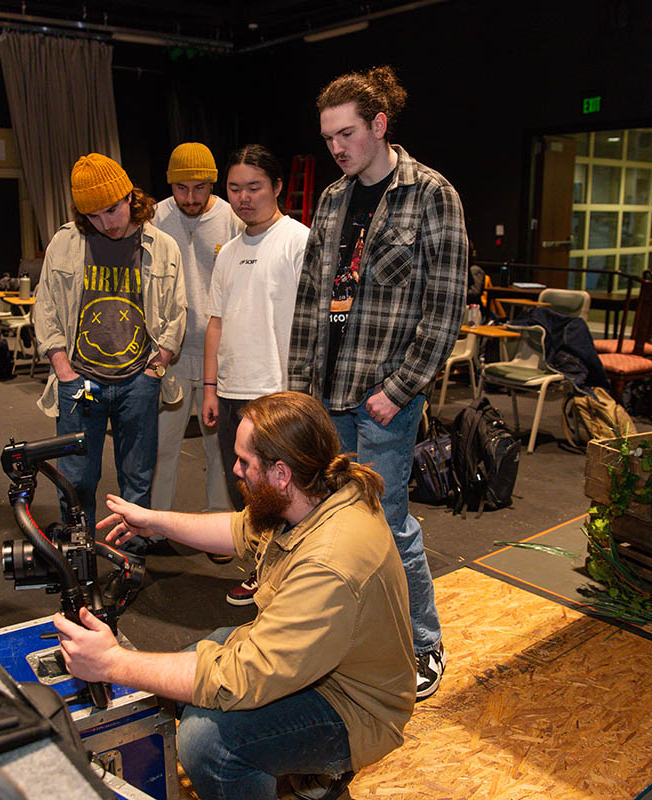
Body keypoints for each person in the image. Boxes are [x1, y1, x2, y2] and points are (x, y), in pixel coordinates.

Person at [52, 391, 414, 800]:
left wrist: (111, 663)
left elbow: (242, 675)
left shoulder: (329, 562)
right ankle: (305, 773)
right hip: (325, 664)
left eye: (244, 461)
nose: (235, 469)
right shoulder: (313, 493)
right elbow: (238, 531)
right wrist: (154, 523)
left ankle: (321, 766)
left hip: (355, 707)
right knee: (192, 666)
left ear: (280, 473)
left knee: (208, 744)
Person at [287, 66, 467, 700]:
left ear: (379, 125)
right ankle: (353, 638)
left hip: (384, 398)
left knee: (388, 524)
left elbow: (446, 308)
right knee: (333, 524)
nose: (336, 148)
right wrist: (297, 392)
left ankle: (423, 642)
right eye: (329, 136)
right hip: (327, 392)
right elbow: (310, 302)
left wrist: (399, 389)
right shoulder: (333, 200)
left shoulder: (432, 195)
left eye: (347, 133)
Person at [33, 153, 185, 545]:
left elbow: (176, 310)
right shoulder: (66, 243)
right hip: (82, 381)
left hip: (138, 381)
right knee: (77, 476)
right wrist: (63, 369)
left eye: (112, 210)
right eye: (94, 216)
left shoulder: (162, 245)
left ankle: (130, 554)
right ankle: (78, 552)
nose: (107, 223)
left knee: (137, 477)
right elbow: (45, 306)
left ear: (130, 198)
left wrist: (158, 365)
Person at [202, 144, 309, 604]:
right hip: (231, 391)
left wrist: (300, 393)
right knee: (244, 489)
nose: (244, 198)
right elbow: (216, 322)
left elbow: (311, 323)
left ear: (277, 187)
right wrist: (209, 387)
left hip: (277, 393)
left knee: (287, 494)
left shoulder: (297, 241)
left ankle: (292, 578)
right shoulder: (227, 252)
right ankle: (263, 570)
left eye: (254, 187)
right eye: (235, 189)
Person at [152, 143, 242, 527]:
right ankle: (155, 524)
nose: (190, 198)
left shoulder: (232, 218)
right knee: (162, 447)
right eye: (181, 188)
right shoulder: (154, 218)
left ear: (213, 184)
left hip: (220, 356)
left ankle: (220, 522)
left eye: (200, 188)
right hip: (167, 355)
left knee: (220, 450)